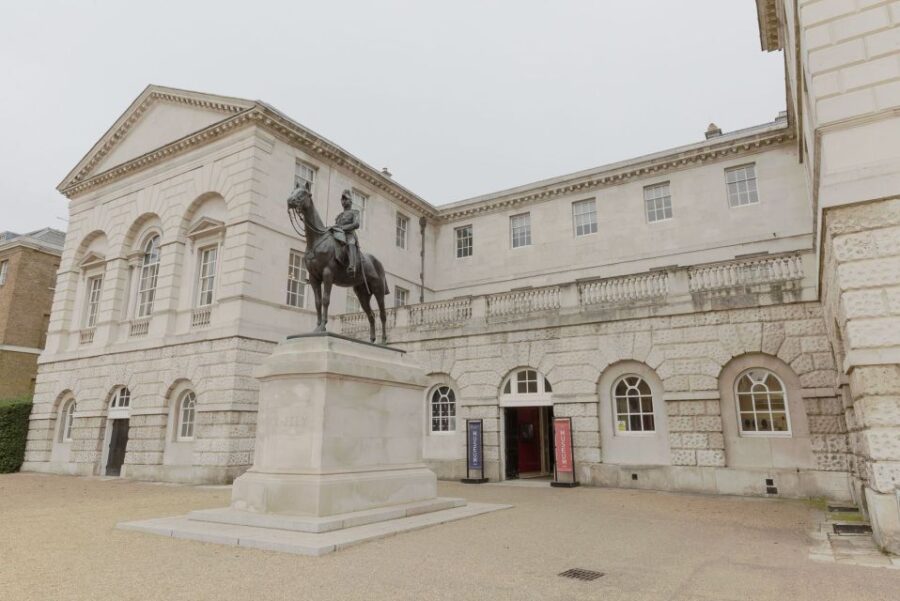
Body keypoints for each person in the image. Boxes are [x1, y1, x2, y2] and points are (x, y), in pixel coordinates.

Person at [330, 189, 360, 277]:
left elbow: (356, 224)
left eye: (345, 199)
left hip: (349, 234)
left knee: (350, 243)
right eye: (342, 199)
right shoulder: (339, 216)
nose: (343, 201)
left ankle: (352, 266)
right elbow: (336, 226)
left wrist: (343, 228)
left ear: (350, 201)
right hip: (338, 235)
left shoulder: (355, 212)